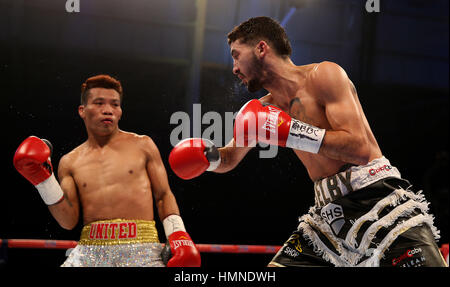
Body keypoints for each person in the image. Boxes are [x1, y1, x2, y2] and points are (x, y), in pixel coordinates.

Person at [168, 17, 447, 267]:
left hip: (377, 198)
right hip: (328, 219)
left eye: (236, 56)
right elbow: (229, 158)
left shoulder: (324, 76)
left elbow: (360, 150)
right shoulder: (259, 112)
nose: (234, 68)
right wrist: (207, 156)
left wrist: (291, 131)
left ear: (261, 48)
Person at [13, 74, 201, 267]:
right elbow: (68, 221)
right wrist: (43, 181)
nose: (108, 110)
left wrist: (178, 235)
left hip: (141, 249)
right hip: (89, 251)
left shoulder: (143, 145)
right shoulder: (70, 161)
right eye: (99, 103)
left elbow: (163, 195)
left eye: (115, 104)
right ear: (82, 110)